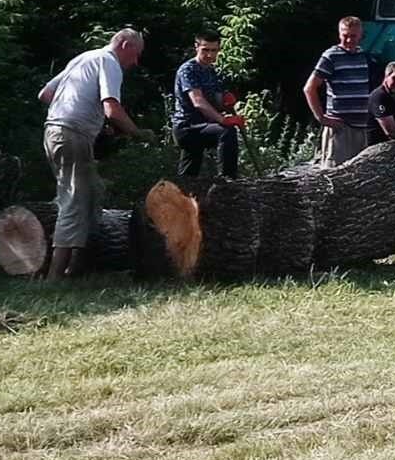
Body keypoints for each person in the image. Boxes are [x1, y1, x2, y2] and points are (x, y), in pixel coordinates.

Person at [37, 28, 154, 280]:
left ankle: (77, 268)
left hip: (57, 133)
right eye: (136, 54)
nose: (135, 62)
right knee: (74, 199)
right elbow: (112, 108)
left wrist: (86, 114)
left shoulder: (83, 58)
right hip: (71, 135)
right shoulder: (109, 61)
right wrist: (137, 133)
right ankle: (54, 277)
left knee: (92, 194)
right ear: (124, 45)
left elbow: (45, 94)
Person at [171, 29, 243, 179]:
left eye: (214, 50)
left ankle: (180, 195)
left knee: (188, 177)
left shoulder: (211, 71)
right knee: (227, 132)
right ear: (196, 47)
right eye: (205, 50)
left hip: (202, 126)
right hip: (187, 127)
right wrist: (223, 120)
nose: (210, 55)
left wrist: (225, 101)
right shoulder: (188, 70)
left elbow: (216, 101)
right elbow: (198, 101)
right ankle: (228, 182)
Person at [304, 16, 376, 167]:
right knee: (335, 176)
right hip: (340, 129)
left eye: (353, 36)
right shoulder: (331, 56)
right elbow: (309, 88)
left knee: (358, 176)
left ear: (360, 35)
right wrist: (322, 118)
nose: (349, 40)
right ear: (339, 34)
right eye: (345, 36)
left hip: (360, 128)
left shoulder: (362, 55)